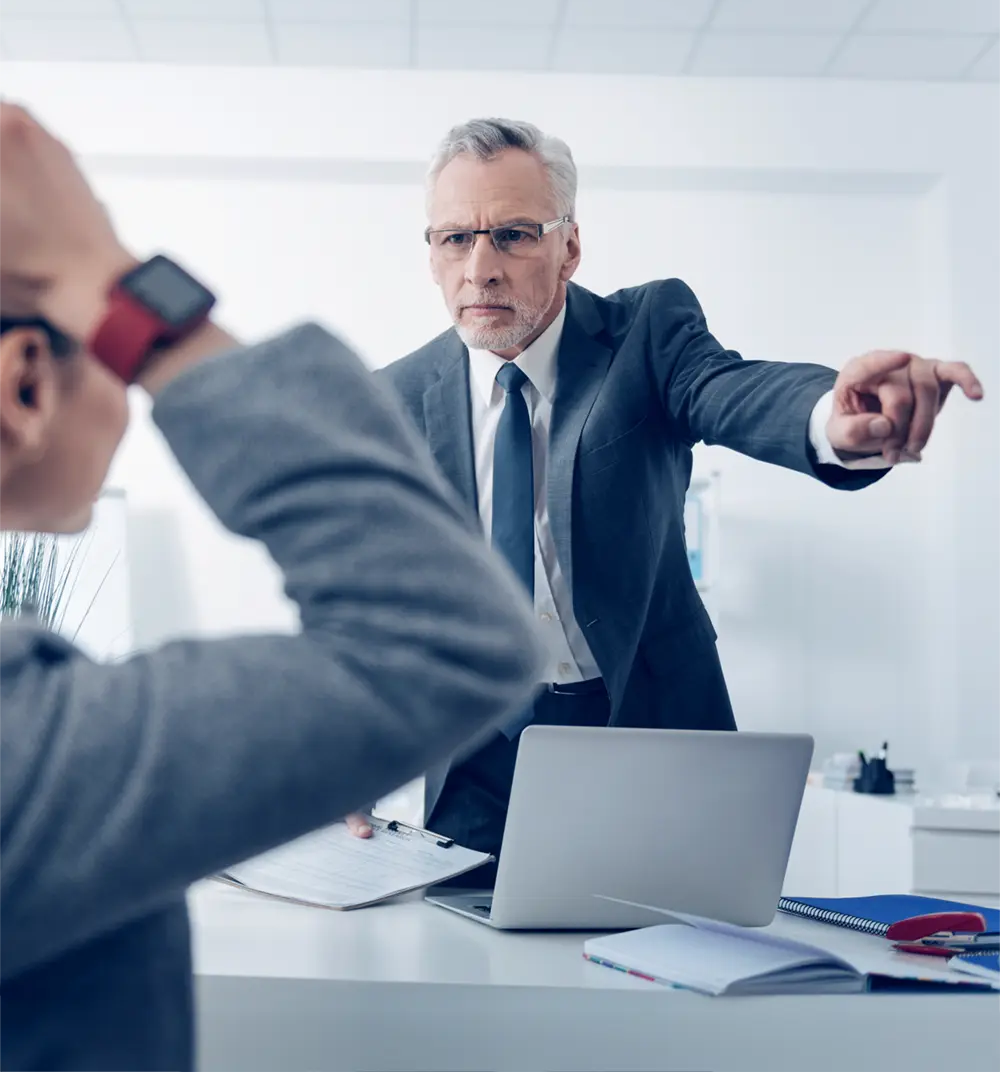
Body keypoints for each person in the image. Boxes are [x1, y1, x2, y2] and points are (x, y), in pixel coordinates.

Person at [0, 104, 545, 1069]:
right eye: (113, 354)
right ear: (25, 385)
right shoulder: (29, 744)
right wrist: (128, 297)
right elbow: (444, 641)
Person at [351, 116, 983, 883]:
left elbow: (731, 390)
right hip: (480, 759)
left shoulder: (645, 335)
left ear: (570, 246)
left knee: (670, 964)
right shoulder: (397, 397)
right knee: (471, 986)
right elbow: (378, 593)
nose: (480, 267)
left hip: (647, 727)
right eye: (455, 239)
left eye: (514, 234)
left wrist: (834, 419)